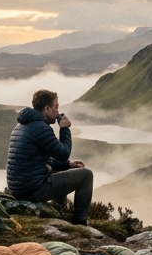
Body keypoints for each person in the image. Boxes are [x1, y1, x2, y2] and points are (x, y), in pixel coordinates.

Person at [6, 89, 93, 225]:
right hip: (32, 189)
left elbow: (44, 159)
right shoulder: (40, 127)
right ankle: (80, 222)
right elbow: (63, 153)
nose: (57, 111)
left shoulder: (22, 125)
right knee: (86, 175)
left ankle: (58, 211)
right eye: (56, 107)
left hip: (19, 188)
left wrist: (68, 165)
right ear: (47, 109)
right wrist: (64, 128)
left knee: (59, 171)